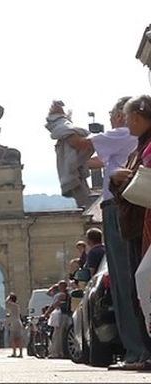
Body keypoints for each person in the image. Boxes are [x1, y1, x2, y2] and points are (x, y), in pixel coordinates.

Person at [65, 96, 151, 368]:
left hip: (124, 209)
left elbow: (79, 145)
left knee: (127, 281)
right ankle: (137, 349)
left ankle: (138, 350)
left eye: (123, 115)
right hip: (125, 208)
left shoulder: (123, 135)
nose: (121, 120)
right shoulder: (134, 140)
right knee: (130, 280)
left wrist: (58, 121)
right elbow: (92, 160)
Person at [110, 95, 151, 370]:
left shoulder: (145, 147)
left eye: (128, 118)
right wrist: (118, 179)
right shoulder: (140, 146)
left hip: (144, 223)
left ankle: (146, 353)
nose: (125, 123)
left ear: (137, 117)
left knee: (143, 285)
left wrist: (127, 177)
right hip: (139, 224)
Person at [44, 280, 70, 359]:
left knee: (58, 335)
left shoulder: (61, 295)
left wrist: (46, 314)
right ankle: (59, 352)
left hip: (61, 316)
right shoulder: (65, 294)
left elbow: (54, 305)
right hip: (63, 315)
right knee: (59, 334)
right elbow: (49, 293)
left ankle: (57, 352)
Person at [5, 293, 23, 358]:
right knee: (19, 339)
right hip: (18, 323)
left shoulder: (13, 305)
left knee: (13, 339)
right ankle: (20, 353)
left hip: (14, 324)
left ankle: (14, 353)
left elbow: (6, 302)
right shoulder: (17, 306)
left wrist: (9, 296)